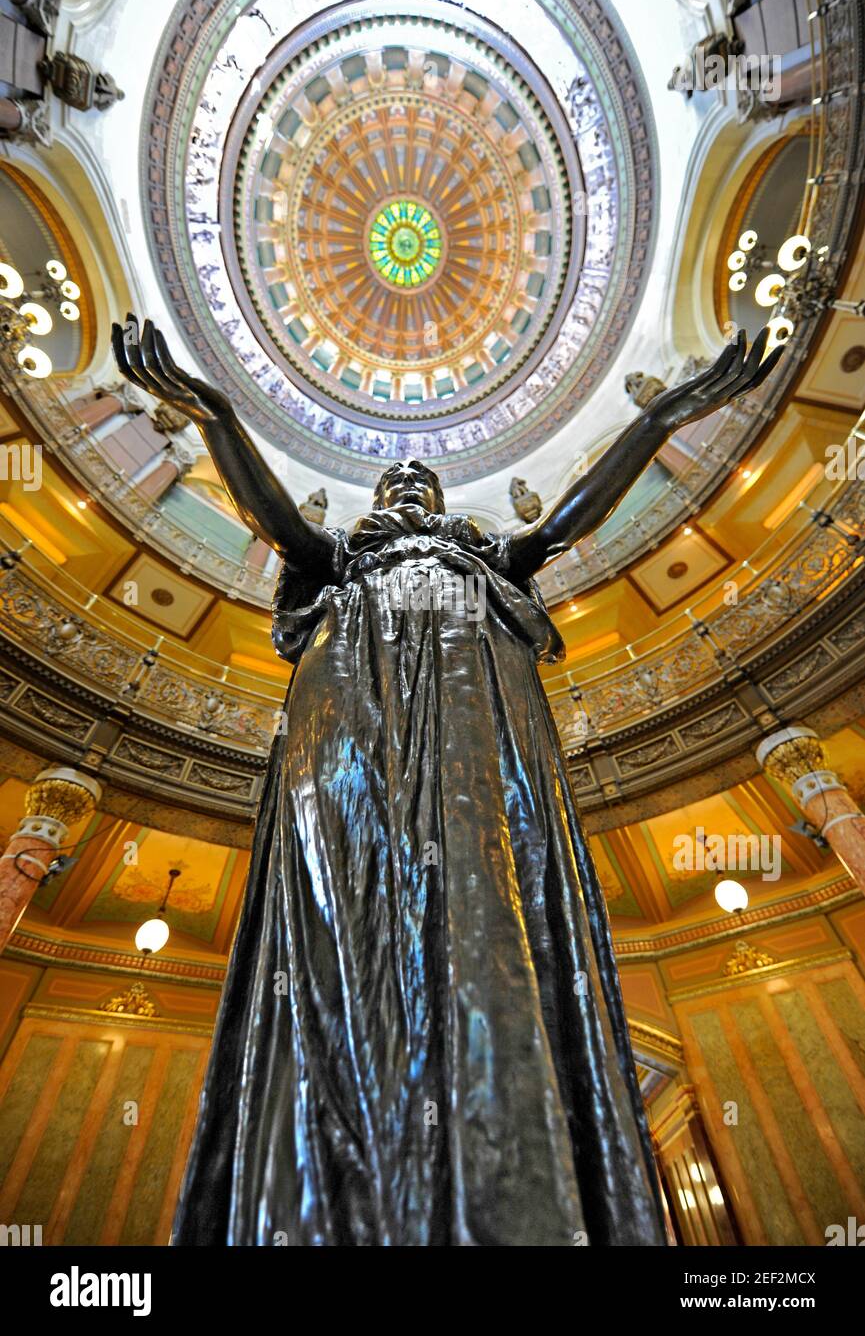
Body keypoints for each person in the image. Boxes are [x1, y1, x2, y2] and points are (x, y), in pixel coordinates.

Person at [113, 315, 780, 1245]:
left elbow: (562, 525)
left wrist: (663, 416)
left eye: (421, 480)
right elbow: (275, 521)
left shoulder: (485, 557)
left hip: (476, 695)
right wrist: (218, 414)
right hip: (345, 696)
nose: (408, 486)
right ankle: (319, 1191)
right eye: (392, 481)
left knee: (484, 881)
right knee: (331, 898)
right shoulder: (339, 560)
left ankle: (503, 1173)